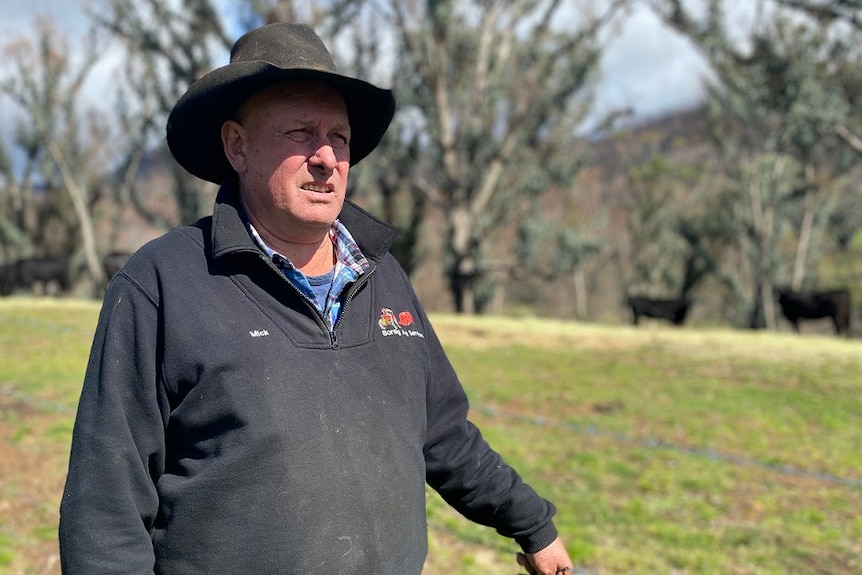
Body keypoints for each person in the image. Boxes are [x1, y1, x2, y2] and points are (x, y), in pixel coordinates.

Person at [59, 22, 573, 575]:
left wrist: (533, 527)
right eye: (301, 132)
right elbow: (105, 506)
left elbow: (443, 434)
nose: (327, 157)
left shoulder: (385, 278)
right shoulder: (163, 282)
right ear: (238, 146)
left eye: (341, 138)